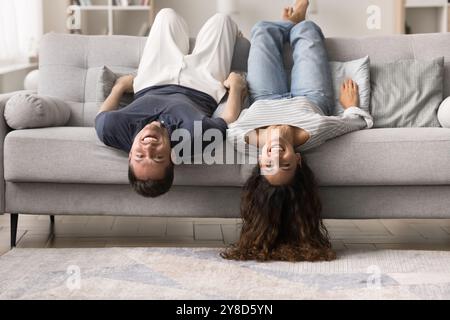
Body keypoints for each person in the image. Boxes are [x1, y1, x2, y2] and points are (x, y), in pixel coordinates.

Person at [222, 0, 373, 262]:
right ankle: (296, 22)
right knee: (308, 31)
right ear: (298, 160)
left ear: (260, 161)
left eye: (270, 165)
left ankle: (287, 23)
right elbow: (356, 123)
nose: (277, 156)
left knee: (261, 30)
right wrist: (350, 106)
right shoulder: (314, 131)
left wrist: (235, 89)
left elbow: (226, 122)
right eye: (286, 164)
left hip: (264, 96)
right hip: (311, 96)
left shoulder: (241, 138)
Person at [95, 9, 247, 198]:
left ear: (129, 157)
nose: (148, 148)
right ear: (171, 159)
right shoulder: (194, 140)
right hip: (202, 85)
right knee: (222, 20)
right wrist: (236, 87)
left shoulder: (111, 130)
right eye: (158, 157)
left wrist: (118, 87)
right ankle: (233, 34)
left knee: (167, 15)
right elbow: (228, 119)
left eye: (140, 156)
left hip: (153, 79)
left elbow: (101, 116)